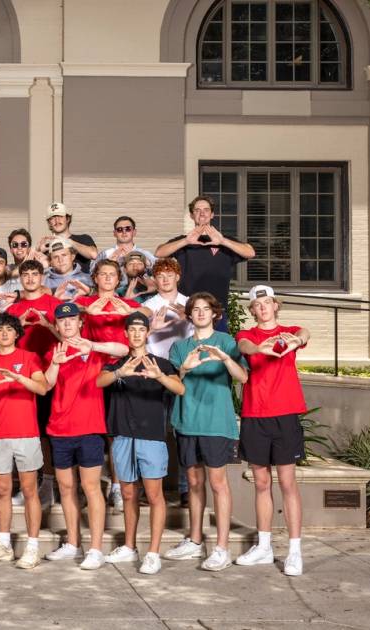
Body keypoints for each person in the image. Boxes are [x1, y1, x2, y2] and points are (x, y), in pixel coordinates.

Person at [164, 292, 247, 571]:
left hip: (216, 422)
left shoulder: (226, 342)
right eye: (195, 309)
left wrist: (224, 358)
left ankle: (221, 547)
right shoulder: (180, 347)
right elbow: (173, 383)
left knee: (218, 483)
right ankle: (195, 539)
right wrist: (185, 370)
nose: (200, 313)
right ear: (189, 315)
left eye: (205, 309)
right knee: (194, 483)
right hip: (188, 421)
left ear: (215, 314)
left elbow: (243, 377)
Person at [97, 312, 184, 575]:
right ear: (126, 334)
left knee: (154, 494)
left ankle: (153, 553)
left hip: (152, 436)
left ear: (148, 333)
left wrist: (159, 377)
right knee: (127, 493)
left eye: (140, 329)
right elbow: (99, 381)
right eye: (131, 329)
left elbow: (180, 389)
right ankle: (129, 546)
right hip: (123, 434)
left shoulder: (162, 364)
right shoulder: (116, 364)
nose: (136, 333)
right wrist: (120, 372)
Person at [43, 303, 127, 571]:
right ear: (56, 326)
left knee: (91, 488)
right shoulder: (53, 351)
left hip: (89, 427)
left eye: (72, 320)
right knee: (66, 488)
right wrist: (55, 364)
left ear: (80, 322)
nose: (67, 324)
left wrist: (93, 346)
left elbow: (123, 350)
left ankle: (95, 549)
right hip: (59, 428)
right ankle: (72, 543)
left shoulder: (94, 349)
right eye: (62, 321)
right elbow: (46, 385)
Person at [235, 285, 311, 576]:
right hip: (255, 414)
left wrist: (294, 341)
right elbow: (244, 347)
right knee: (262, 482)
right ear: (252, 310)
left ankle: (294, 551)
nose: (263, 307)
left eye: (268, 302)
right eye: (258, 304)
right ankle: (264, 547)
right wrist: (261, 348)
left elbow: (305, 333)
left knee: (288, 483)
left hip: (285, 415)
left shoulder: (290, 330)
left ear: (276, 305)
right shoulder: (248, 336)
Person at [0, 313, 49, 569]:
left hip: (26, 433)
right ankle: (4, 544)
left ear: (17, 333)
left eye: (9, 329)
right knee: (3, 491)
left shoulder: (29, 358)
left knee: (29, 491)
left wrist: (17, 377)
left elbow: (42, 388)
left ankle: (32, 547)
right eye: (0, 330)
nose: (4, 334)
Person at [5, 259, 62, 507]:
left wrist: (46, 324)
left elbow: (69, 337)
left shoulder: (54, 305)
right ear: (20, 278)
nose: (29, 278)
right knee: (25, 434)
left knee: (48, 433)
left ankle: (49, 484)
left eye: (34, 274)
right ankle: (28, 486)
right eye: (25, 274)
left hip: (50, 375)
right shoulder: (13, 310)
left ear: (42, 277)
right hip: (22, 377)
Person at [155, 195, 255, 331]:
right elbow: (159, 252)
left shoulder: (223, 241)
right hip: (188, 309)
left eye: (206, 210)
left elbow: (250, 252)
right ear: (191, 215)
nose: (202, 213)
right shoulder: (184, 241)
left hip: (216, 310)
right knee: (189, 349)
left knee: (215, 350)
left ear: (212, 214)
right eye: (197, 210)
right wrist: (186, 241)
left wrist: (223, 241)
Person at [142, 257, 194, 507]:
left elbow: (206, 331)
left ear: (177, 277)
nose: (164, 279)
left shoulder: (190, 304)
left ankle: (185, 488)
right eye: (160, 275)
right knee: (154, 433)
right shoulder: (149, 305)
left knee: (183, 432)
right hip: (155, 370)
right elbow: (136, 330)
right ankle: (152, 487)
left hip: (183, 371)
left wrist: (190, 316)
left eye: (169, 274)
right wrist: (152, 323)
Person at [37, 202, 97, 274]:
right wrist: (38, 252)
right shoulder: (47, 247)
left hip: (82, 283)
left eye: (60, 216)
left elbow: (94, 254)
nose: (57, 220)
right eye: (52, 218)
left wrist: (68, 241)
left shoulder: (83, 238)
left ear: (67, 219)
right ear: (49, 223)